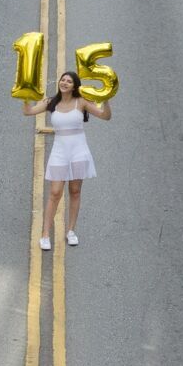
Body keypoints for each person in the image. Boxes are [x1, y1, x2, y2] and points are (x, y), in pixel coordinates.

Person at [25, 70, 111, 250]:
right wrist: (25, 96)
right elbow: (28, 111)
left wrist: (106, 99)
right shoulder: (51, 102)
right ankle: (45, 235)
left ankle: (71, 231)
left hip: (79, 151)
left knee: (75, 191)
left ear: (74, 86)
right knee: (55, 192)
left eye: (69, 81)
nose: (64, 83)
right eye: (62, 80)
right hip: (59, 151)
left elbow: (105, 116)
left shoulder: (81, 102)